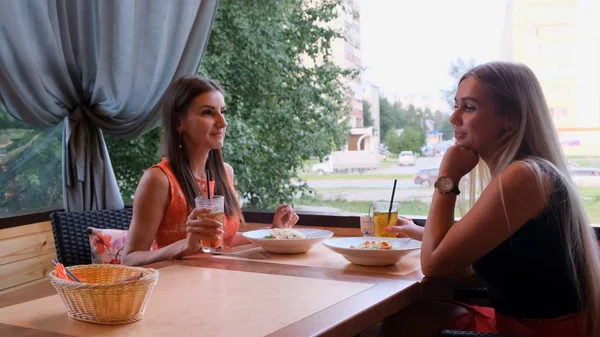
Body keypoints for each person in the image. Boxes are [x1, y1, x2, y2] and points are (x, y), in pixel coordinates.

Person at [382, 62, 600, 337]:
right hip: (519, 324)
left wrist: (447, 177)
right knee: (413, 317)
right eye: (455, 105)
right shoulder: (529, 172)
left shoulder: (524, 176)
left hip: (539, 332)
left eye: (469, 107)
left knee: (402, 323)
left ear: (510, 119)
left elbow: (435, 266)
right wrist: (423, 234)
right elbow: (486, 255)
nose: (453, 117)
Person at [122, 76, 298, 266]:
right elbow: (130, 259)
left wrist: (272, 232)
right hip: (177, 288)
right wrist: (185, 246)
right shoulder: (159, 179)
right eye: (208, 112)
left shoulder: (225, 173)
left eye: (222, 112)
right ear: (179, 123)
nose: (223, 122)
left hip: (218, 282)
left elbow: (225, 240)